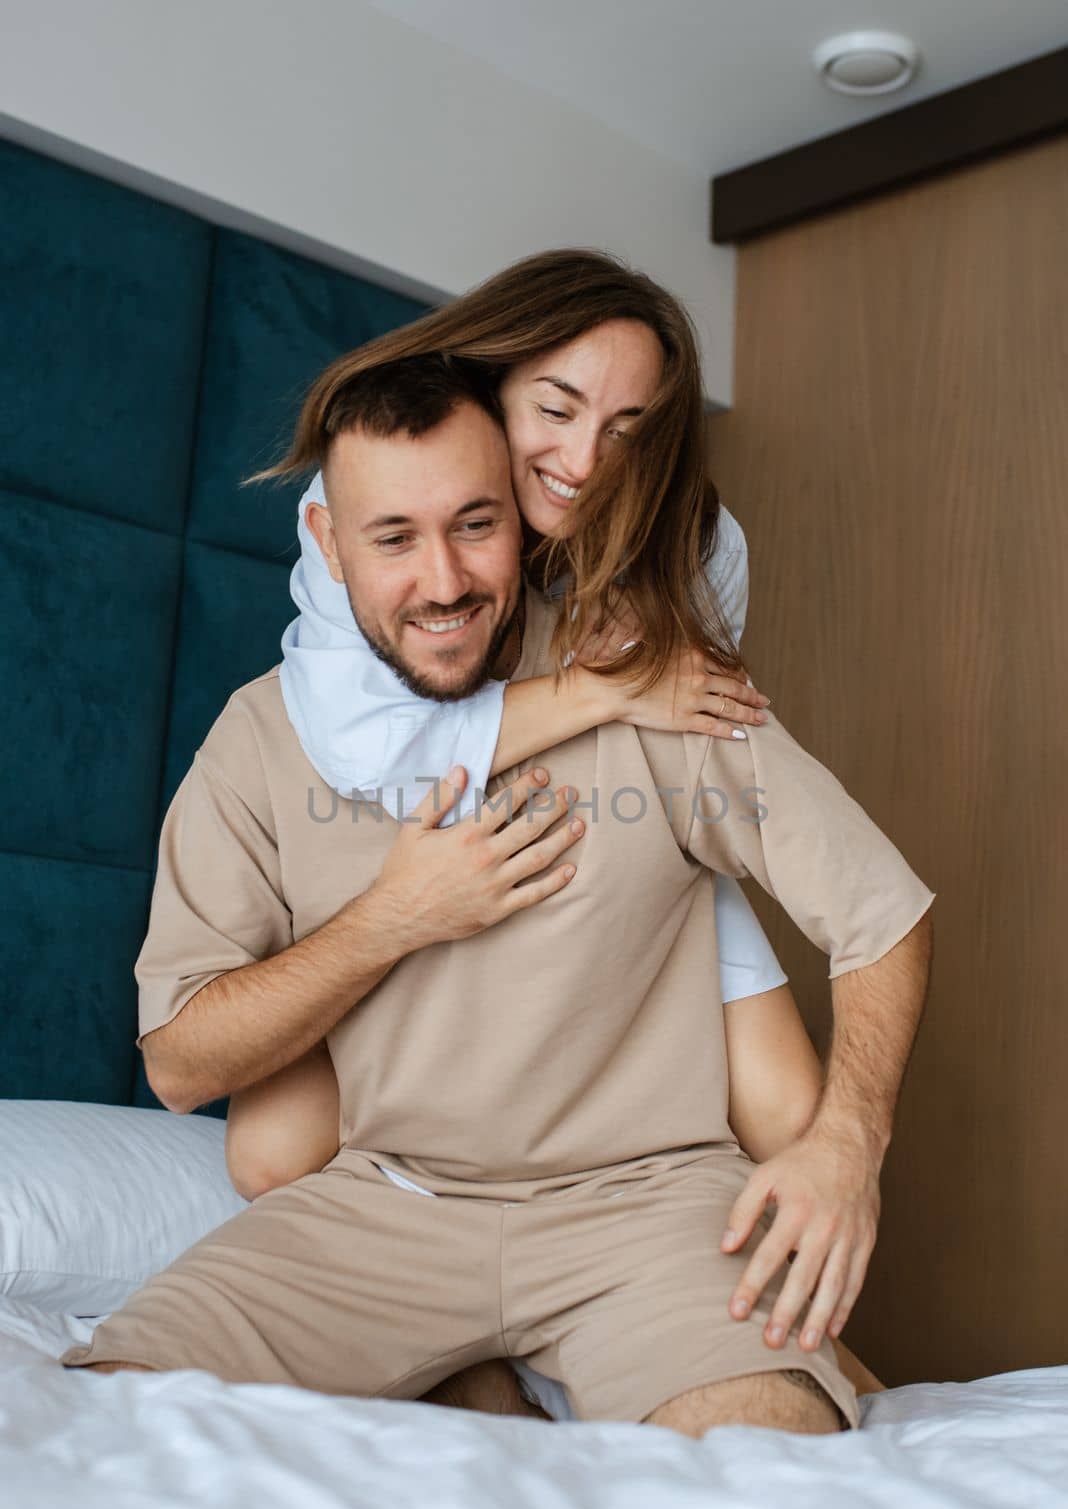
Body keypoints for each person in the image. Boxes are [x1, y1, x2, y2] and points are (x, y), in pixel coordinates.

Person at [58, 354, 933, 1440]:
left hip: (650, 1212)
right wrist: (393, 918)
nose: (443, 580)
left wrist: (848, 1142)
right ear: (330, 545)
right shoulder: (262, 741)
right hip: (384, 1212)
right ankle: (470, 1381)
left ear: (522, 519)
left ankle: (486, 1385)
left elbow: (881, 909)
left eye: (476, 525)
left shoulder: (652, 684)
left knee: (774, 1471)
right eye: (393, 538)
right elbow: (183, 1064)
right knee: (99, 1427)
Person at [223, 250, 889, 1414]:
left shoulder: (701, 541)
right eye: (558, 408)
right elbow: (373, 752)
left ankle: (813, 1363)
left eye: (629, 427)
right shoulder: (367, 514)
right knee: (272, 1155)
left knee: (791, 1113)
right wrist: (607, 689)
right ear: (492, 381)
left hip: (633, 839)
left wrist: (639, 698)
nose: (586, 461)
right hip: (438, 822)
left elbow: (690, 739)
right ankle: (465, 1342)